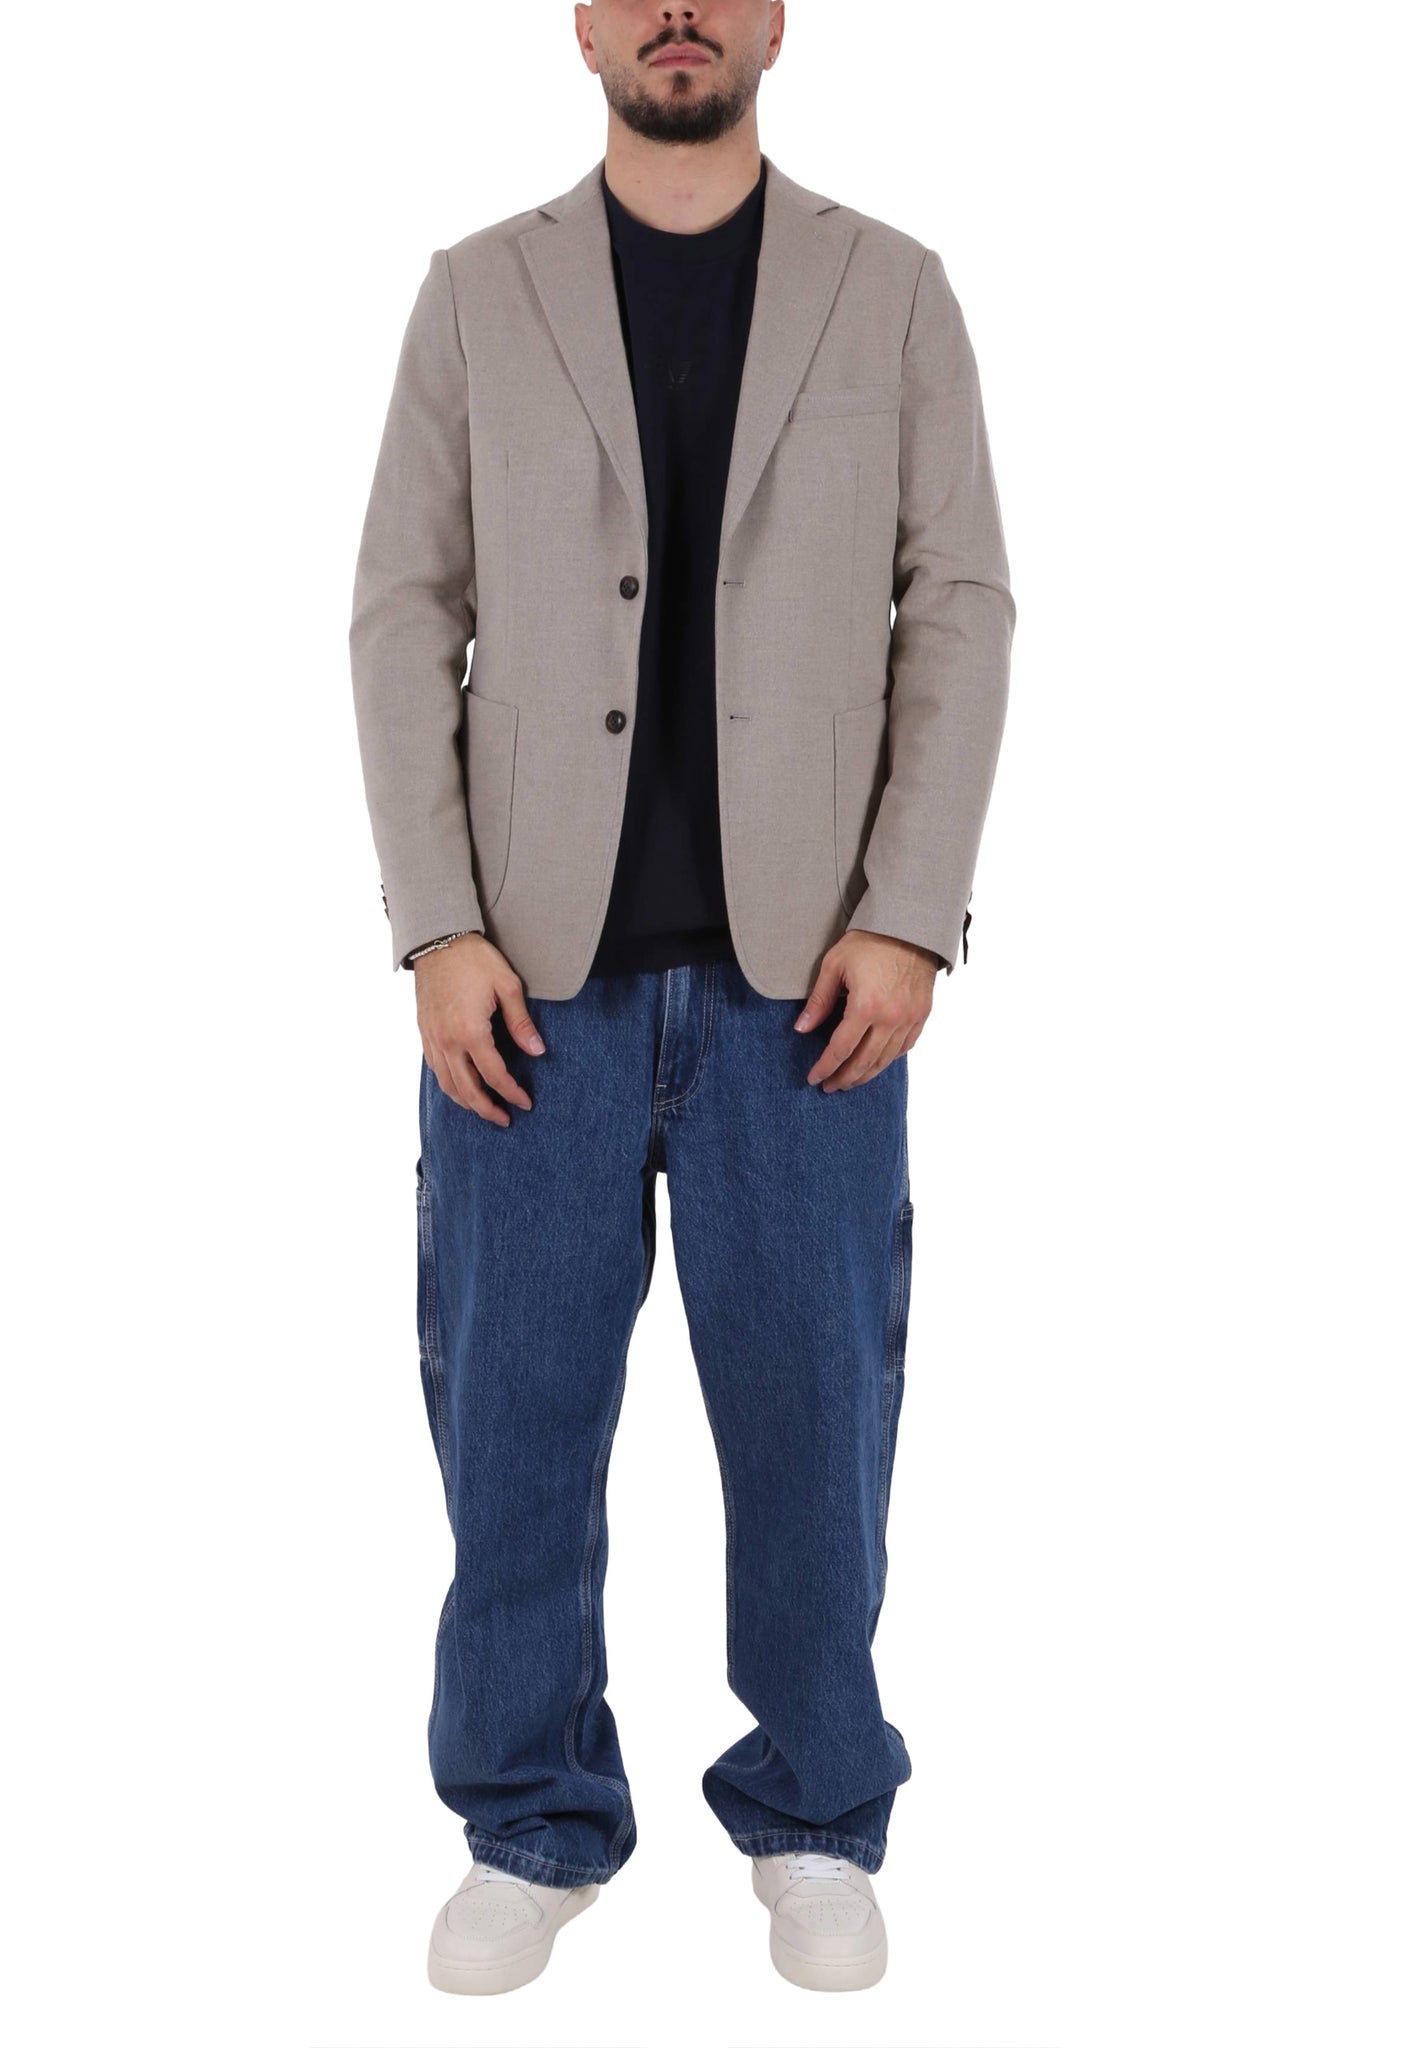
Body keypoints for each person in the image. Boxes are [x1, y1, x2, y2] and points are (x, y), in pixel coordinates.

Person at [349, 0, 1014, 1999]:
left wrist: (908, 914)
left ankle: (814, 1810)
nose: (678, 11)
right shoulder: (478, 293)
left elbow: (959, 605)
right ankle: (528, 1819)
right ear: (580, 21)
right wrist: (434, 926)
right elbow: (401, 610)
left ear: (774, 16)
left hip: (807, 988)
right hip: (525, 989)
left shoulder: (892, 290)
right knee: (513, 1429)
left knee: (816, 1419)